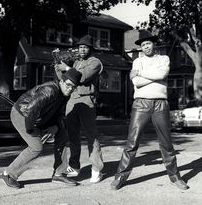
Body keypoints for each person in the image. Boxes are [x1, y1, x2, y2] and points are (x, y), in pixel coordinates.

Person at [111, 30, 189, 191]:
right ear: (141, 48)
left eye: (148, 43)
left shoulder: (163, 59)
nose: (146, 47)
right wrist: (142, 76)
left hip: (161, 104)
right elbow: (137, 83)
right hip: (141, 104)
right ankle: (120, 176)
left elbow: (162, 74)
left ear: (154, 44)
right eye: (143, 45)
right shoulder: (137, 61)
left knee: (166, 142)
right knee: (132, 141)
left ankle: (175, 177)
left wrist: (140, 74)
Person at [2, 68, 82, 189]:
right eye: (68, 85)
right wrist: (31, 129)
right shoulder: (49, 90)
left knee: (62, 133)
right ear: (61, 81)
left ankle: (59, 173)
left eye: (74, 87)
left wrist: (54, 126)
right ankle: (9, 174)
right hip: (21, 114)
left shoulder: (65, 94)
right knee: (36, 147)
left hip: (39, 116)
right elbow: (32, 109)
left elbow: (58, 113)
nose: (70, 88)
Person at [55, 34, 104, 183]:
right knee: (73, 136)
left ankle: (96, 169)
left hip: (87, 100)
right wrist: (58, 66)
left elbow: (82, 78)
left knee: (91, 136)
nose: (82, 49)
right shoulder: (76, 62)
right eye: (80, 47)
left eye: (85, 47)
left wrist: (67, 68)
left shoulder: (95, 62)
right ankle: (74, 167)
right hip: (72, 100)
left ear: (90, 49)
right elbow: (64, 79)